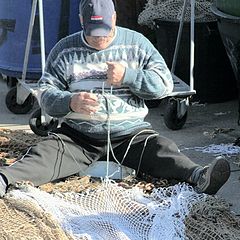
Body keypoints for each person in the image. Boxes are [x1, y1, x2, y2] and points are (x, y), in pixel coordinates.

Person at [0, 0, 230, 198]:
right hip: (78, 136)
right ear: (81, 20)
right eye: (93, 32)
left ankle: (200, 176)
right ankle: (3, 179)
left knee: (163, 150)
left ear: (114, 18)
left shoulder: (137, 43)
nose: (100, 39)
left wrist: (129, 77)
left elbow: (164, 86)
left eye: (105, 31)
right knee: (45, 154)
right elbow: (46, 94)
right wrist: (69, 102)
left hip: (130, 134)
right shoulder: (64, 49)